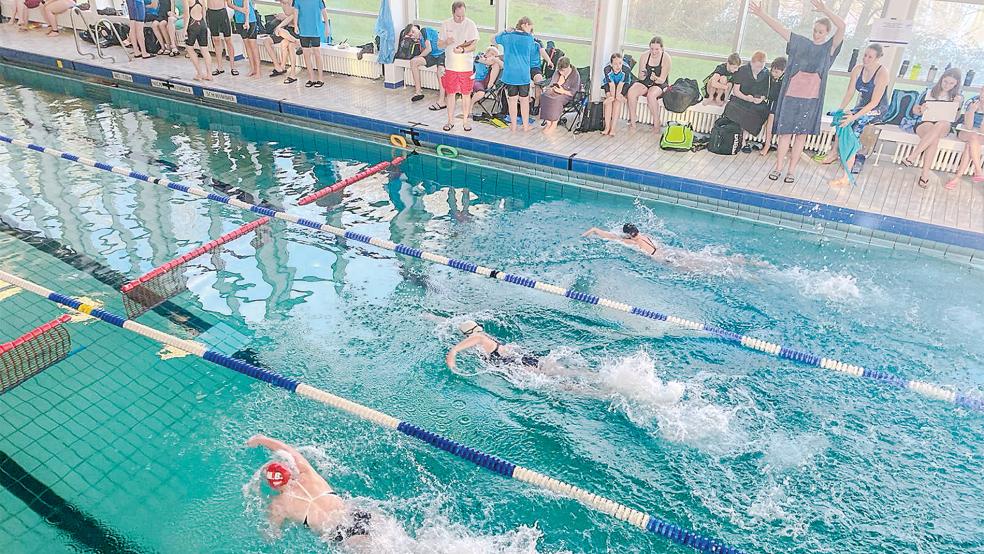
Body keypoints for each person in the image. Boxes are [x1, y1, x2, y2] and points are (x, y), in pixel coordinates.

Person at [750, 0, 844, 184]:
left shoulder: (829, 49)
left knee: (801, 136)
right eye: (815, 30)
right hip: (791, 97)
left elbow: (842, 26)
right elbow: (780, 29)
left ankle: (791, 170)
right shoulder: (801, 43)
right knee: (785, 134)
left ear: (826, 34)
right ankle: (778, 167)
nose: (817, 34)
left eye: (821, 32)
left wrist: (825, 9)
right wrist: (761, 14)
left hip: (811, 100)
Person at [245, 434, 372, 542]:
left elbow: (270, 535)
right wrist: (262, 439)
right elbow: (288, 450)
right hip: (357, 514)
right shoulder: (307, 474)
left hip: (340, 535)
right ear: (288, 471)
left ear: (272, 485)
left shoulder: (279, 504)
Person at [824, 44, 889, 187]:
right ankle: (834, 152)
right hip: (860, 107)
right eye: (865, 55)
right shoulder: (857, 69)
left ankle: (846, 177)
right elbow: (850, 92)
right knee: (841, 118)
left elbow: (874, 102)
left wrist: (853, 117)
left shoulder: (882, 74)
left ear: (877, 59)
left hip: (877, 109)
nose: (866, 59)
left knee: (853, 129)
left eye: (870, 57)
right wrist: (841, 109)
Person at [901, 68, 963, 188]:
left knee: (940, 124)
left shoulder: (958, 97)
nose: (947, 85)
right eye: (945, 82)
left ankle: (913, 156)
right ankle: (924, 175)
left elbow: (955, 119)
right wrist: (921, 109)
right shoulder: (929, 92)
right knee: (933, 139)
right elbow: (914, 111)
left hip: (943, 125)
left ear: (956, 84)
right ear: (941, 79)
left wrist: (957, 105)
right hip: (926, 122)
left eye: (951, 83)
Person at [438, 1, 479, 132]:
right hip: (450, 66)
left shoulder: (470, 24)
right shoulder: (446, 24)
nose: (460, 19)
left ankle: (466, 121)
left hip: (466, 67)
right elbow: (439, 45)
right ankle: (450, 121)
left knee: (466, 94)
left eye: (462, 16)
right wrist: (446, 42)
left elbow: (473, 45)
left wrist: (462, 50)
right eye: (458, 16)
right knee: (450, 94)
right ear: (453, 13)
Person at [495, 18, 538, 133]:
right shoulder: (529, 39)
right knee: (524, 101)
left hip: (510, 74)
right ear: (525, 25)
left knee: (512, 100)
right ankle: (525, 126)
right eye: (530, 27)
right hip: (523, 75)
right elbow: (533, 50)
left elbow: (494, 39)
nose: (531, 30)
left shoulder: (507, 37)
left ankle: (513, 126)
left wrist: (505, 31)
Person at [446, 320, 541, 371]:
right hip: (519, 359)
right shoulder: (486, 337)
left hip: (517, 363)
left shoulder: (478, 337)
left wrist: (453, 355)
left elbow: (455, 350)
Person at [626, 36, 671, 135]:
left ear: (662, 49)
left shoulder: (666, 58)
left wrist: (655, 78)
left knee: (651, 95)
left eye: (657, 49)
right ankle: (633, 121)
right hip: (646, 81)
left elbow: (662, 79)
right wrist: (643, 75)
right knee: (631, 92)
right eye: (652, 49)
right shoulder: (644, 56)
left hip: (659, 83)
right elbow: (640, 77)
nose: (654, 52)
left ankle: (656, 123)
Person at [722, 51, 771, 137]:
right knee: (734, 107)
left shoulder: (766, 73)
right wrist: (746, 98)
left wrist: (761, 99)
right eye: (757, 67)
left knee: (761, 111)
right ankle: (737, 135)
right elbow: (736, 91)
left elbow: (765, 93)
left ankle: (745, 136)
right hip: (741, 98)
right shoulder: (743, 70)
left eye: (761, 67)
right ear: (752, 63)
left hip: (755, 101)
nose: (759, 69)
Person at [946, 86, 984, 190]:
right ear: (981, 90)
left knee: (970, 144)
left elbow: (982, 131)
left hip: (981, 134)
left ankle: (957, 178)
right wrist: (972, 111)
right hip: (966, 131)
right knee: (972, 137)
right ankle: (978, 171)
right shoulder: (972, 101)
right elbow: (968, 126)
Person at [290, 0, 328, 87]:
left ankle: (320, 78)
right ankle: (311, 78)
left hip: (315, 30)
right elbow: (296, 11)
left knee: (317, 53)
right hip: (303, 30)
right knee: (306, 54)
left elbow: (324, 12)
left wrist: (327, 27)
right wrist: (295, 25)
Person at [538, 56, 579, 133]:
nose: (561, 72)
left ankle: (554, 122)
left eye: (563, 70)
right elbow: (551, 85)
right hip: (556, 91)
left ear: (568, 66)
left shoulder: (575, 75)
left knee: (556, 100)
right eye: (560, 71)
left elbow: (574, 92)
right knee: (544, 96)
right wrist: (559, 83)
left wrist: (562, 91)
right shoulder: (557, 72)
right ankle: (548, 122)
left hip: (567, 94)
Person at [407, 24, 445, 104]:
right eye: (411, 35)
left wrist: (419, 56)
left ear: (417, 28)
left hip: (442, 53)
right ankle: (418, 92)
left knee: (440, 72)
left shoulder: (424, 31)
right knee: (413, 62)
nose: (413, 35)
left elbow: (428, 49)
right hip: (433, 55)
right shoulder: (420, 39)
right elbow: (425, 51)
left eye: (413, 32)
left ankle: (442, 100)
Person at [582, 224, 663, 258]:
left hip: (658, 259)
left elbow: (613, 238)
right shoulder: (645, 237)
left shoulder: (633, 242)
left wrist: (594, 230)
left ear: (628, 234)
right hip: (661, 252)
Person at [760, 56, 787, 157]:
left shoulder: (784, 81)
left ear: (783, 71)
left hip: (780, 104)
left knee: (773, 123)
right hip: (772, 103)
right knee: (769, 122)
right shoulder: (772, 78)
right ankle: (767, 144)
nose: (773, 74)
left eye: (776, 72)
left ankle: (771, 145)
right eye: (773, 71)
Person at [601, 52, 631, 137]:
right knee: (610, 101)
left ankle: (613, 128)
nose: (618, 66)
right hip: (610, 84)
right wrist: (611, 97)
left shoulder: (626, 70)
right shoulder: (607, 69)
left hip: (623, 84)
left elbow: (620, 85)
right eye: (615, 64)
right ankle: (607, 128)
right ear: (611, 64)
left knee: (617, 101)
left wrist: (617, 96)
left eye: (620, 63)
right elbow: (612, 85)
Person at [229, 0, 260, 77]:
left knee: (253, 46)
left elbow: (246, 8)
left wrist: (247, 22)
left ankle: (258, 71)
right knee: (247, 46)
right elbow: (229, 4)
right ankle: (252, 69)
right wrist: (240, 9)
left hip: (250, 20)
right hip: (239, 21)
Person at [183, 0, 212, 80]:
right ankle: (209, 74)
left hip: (193, 25)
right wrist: (205, 26)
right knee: (205, 50)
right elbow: (204, 13)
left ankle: (200, 73)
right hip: (202, 24)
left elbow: (186, 15)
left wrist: (184, 29)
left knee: (189, 49)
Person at [206, 0, 237, 75]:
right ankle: (220, 67)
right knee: (216, 39)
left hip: (222, 12)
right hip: (211, 13)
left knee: (228, 39)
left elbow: (229, 3)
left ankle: (233, 67)